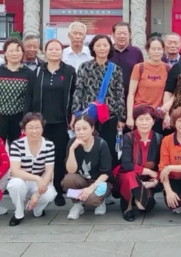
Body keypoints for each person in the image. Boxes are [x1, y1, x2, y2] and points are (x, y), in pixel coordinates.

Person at [25, 38, 77, 207]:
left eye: (57, 49)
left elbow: (75, 95)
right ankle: (40, 189)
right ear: (45, 52)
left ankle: (58, 190)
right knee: (41, 156)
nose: (54, 52)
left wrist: (73, 115)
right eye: (51, 49)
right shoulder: (37, 72)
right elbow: (29, 97)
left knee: (60, 156)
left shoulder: (69, 71)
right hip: (40, 123)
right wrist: (27, 119)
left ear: (62, 52)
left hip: (61, 122)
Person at [72, 34, 126, 167]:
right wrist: (75, 113)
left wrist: (121, 118)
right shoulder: (84, 67)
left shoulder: (116, 69)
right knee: (88, 146)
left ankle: (107, 175)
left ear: (110, 48)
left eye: (105, 45)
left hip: (109, 116)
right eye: (98, 45)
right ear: (93, 48)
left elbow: (120, 94)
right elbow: (79, 91)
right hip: (89, 116)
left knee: (109, 147)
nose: (102, 48)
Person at [6, 113, 57, 226]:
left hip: (40, 179)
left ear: (42, 128)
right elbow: (15, 171)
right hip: (22, 178)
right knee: (15, 184)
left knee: (50, 194)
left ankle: (37, 210)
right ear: (24, 130)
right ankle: (19, 213)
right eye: (30, 127)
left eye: (38, 127)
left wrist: (37, 194)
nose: (34, 131)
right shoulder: (16, 145)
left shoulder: (49, 145)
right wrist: (36, 178)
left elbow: (49, 171)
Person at [114, 105, 163, 222]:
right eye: (140, 119)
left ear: (153, 122)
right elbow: (127, 165)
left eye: (147, 119)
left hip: (148, 180)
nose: (144, 123)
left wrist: (155, 180)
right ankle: (127, 208)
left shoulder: (159, 138)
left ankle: (138, 198)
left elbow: (162, 164)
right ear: (135, 121)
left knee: (143, 206)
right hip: (127, 176)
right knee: (130, 176)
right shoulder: (128, 137)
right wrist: (149, 171)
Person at [62, 115, 113, 219]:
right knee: (68, 179)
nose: (81, 132)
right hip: (82, 180)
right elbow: (71, 170)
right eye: (78, 129)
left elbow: (106, 173)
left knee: (91, 201)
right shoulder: (72, 142)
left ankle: (101, 201)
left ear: (92, 128)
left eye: (85, 128)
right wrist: (72, 150)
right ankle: (77, 205)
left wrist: (91, 188)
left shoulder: (101, 144)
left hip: (100, 182)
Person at [0, 38, 35, 146]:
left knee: (17, 148)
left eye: (17, 50)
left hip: (18, 118)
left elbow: (29, 98)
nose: (14, 54)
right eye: (11, 51)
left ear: (22, 53)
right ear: (5, 53)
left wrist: (26, 119)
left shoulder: (29, 74)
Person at [127, 37, 170, 134]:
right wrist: (129, 117)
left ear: (163, 50)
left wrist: (166, 114)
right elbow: (131, 94)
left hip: (158, 114)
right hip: (141, 114)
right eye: (153, 49)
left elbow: (169, 93)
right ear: (147, 50)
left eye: (159, 49)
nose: (156, 52)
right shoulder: (139, 67)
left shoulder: (167, 68)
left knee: (157, 141)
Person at [109, 21, 145, 98]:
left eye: (125, 33)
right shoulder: (107, 51)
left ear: (129, 35)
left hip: (132, 96)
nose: (122, 36)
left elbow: (142, 74)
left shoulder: (136, 52)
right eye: (119, 33)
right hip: (110, 96)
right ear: (113, 35)